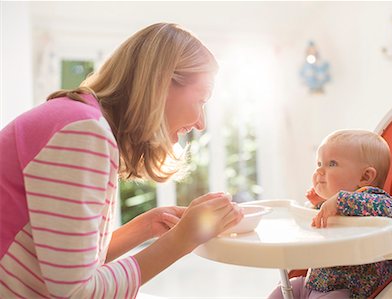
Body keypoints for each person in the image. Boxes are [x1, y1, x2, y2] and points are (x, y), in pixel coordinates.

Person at [0, 23, 243, 298]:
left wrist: (144, 227)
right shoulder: (84, 131)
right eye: (201, 99)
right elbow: (76, 293)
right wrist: (181, 240)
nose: (201, 123)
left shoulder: (80, 121)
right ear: (160, 83)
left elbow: (71, 269)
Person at [268, 129, 392, 298]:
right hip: (313, 282)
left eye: (332, 164)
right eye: (319, 164)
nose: (320, 171)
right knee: (283, 290)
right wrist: (317, 206)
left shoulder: (373, 199)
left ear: (365, 177)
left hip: (346, 290)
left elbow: (388, 208)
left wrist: (339, 200)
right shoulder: (329, 207)